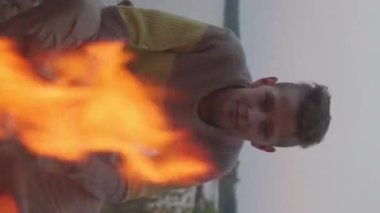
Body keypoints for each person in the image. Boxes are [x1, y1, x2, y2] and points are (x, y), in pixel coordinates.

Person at [0, 0, 332, 212]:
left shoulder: (215, 161)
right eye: (265, 103)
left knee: (78, 207)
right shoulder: (221, 47)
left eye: (264, 127)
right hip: (70, 65)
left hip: (77, 133)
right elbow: (122, 21)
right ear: (265, 84)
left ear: (261, 145)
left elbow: (125, 186)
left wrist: (76, 161)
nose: (252, 114)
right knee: (83, 11)